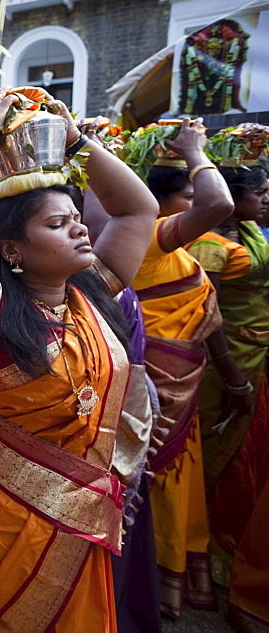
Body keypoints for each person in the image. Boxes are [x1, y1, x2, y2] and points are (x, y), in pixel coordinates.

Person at [0, 90, 158, 631]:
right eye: (58, 225)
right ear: (11, 248)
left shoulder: (91, 294)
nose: (82, 229)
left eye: (75, 218)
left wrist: (79, 141)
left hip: (83, 513)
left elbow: (139, 209)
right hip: (2, 516)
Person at [122, 120, 238, 619]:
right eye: (187, 192)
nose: (196, 202)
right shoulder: (148, 238)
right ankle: (154, 583)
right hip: (160, 389)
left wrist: (234, 379)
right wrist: (195, 150)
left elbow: (209, 323)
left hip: (184, 386)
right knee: (159, 482)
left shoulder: (181, 249)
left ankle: (172, 578)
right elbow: (220, 204)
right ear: (161, 200)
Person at [186, 159, 269, 593]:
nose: (267, 200)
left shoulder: (250, 230)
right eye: (261, 193)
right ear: (233, 198)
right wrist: (233, 376)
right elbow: (207, 313)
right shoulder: (209, 243)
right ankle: (204, 543)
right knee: (215, 443)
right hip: (225, 358)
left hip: (256, 348)